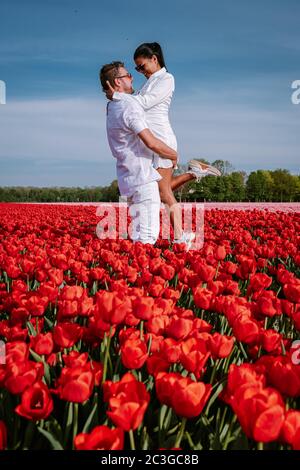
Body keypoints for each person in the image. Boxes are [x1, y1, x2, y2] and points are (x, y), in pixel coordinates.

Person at [106, 42, 221, 244]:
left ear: (154, 59)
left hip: (160, 141)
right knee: (161, 188)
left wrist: (117, 96)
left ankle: (180, 236)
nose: (139, 71)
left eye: (142, 66)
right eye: (136, 68)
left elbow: (143, 103)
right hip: (150, 142)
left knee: (162, 191)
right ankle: (195, 173)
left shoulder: (167, 79)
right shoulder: (149, 82)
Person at [99, 61, 178, 245]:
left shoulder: (111, 108)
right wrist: (173, 155)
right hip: (143, 180)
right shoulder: (128, 106)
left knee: (138, 237)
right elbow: (150, 142)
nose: (132, 77)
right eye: (128, 75)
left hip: (127, 180)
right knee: (146, 239)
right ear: (117, 82)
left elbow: (116, 101)